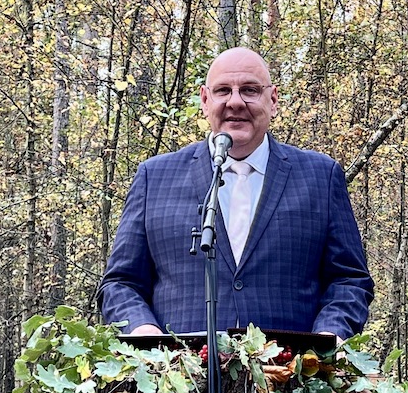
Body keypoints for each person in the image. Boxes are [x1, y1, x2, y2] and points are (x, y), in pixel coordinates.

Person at [97, 47, 373, 341]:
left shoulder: (320, 176)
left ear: (273, 100)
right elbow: (120, 283)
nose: (236, 102)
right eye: (223, 91)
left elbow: (349, 280)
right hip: (180, 378)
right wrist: (144, 333)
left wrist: (328, 337)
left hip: (293, 376)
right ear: (205, 100)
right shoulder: (155, 177)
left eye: (250, 90)